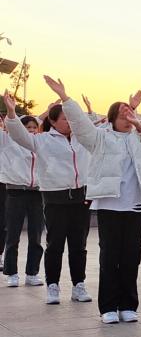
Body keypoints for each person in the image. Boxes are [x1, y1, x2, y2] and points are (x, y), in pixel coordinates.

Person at [46, 79, 141, 324]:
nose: (127, 117)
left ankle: (128, 305)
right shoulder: (100, 137)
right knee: (110, 256)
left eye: (130, 113)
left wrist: (135, 113)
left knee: (131, 256)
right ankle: (108, 307)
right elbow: (80, 125)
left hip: (135, 205)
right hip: (110, 205)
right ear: (111, 118)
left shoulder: (140, 136)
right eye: (122, 114)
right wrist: (65, 98)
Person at [3, 90, 92, 302]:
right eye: (65, 119)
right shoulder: (42, 140)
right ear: (52, 121)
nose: (70, 122)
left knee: (79, 245)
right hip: (55, 198)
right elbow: (19, 135)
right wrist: (12, 113)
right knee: (55, 244)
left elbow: (100, 127)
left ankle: (78, 285)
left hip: (81, 197)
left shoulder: (83, 139)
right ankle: (53, 285)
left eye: (71, 118)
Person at [0, 113, 44, 290]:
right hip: (16, 192)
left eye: (34, 127)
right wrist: (11, 113)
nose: (31, 130)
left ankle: (32, 273)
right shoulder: (8, 141)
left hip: (37, 193)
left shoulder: (40, 143)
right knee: (13, 234)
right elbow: (12, 125)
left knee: (36, 235)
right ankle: (11, 273)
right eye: (28, 128)